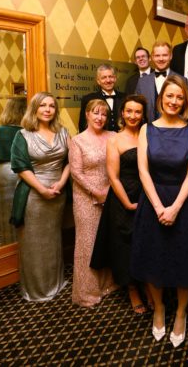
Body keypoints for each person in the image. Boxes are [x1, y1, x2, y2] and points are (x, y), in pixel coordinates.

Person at [131, 75, 188, 347]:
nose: (174, 101)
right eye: (169, 96)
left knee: (184, 258)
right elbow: (142, 170)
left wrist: (175, 208)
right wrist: (158, 206)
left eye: (179, 97)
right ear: (161, 98)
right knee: (154, 257)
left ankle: (180, 313)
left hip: (185, 202)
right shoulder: (146, 130)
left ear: (184, 101)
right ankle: (160, 309)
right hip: (153, 200)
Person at [91, 95, 150, 314]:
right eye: (129, 111)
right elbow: (113, 177)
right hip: (124, 196)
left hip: (148, 195)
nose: (133, 116)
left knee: (145, 242)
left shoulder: (149, 135)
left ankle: (147, 284)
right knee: (126, 244)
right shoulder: (115, 139)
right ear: (122, 114)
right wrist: (127, 204)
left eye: (137, 112)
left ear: (143, 114)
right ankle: (132, 289)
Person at [10, 92, 70, 301]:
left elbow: (71, 161)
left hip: (58, 193)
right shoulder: (23, 134)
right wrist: (42, 189)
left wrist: (61, 183)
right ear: (34, 109)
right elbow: (20, 166)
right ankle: (36, 289)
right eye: (42, 105)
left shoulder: (63, 132)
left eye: (51, 106)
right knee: (33, 242)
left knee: (53, 239)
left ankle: (55, 282)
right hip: (33, 195)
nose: (47, 109)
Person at [70, 99, 117, 307]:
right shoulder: (77, 140)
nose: (100, 118)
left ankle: (108, 284)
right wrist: (96, 191)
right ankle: (87, 292)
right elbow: (76, 172)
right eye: (95, 113)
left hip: (112, 194)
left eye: (104, 114)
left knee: (107, 239)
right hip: (86, 197)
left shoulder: (113, 137)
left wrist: (109, 191)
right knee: (87, 244)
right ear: (87, 115)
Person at [0, 97, 26, 243]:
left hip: (1, 171)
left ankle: (7, 242)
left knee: (4, 209)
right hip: (21, 172)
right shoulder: (26, 131)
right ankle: (20, 242)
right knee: (22, 208)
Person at [136, 41, 184, 122]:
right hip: (148, 129)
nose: (161, 59)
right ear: (152, 57)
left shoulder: (182, 80)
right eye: (157, 55)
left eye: (165, 55)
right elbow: (137, 108)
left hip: (173, 130)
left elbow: (184, 110)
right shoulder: (142, 82)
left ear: (171, 56)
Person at [78, 64, 125, 132]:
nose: (108, 80)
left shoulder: (126, 98)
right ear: (98, 81)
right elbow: (83, 125)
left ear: (115, 78)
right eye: (104, 77)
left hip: (121, 140)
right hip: (97, 141)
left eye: (111, 76)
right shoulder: (88, 99)